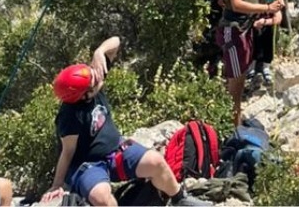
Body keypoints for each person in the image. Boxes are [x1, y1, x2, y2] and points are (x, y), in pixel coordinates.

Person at [44, 37, 209, 206]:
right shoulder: (70, 115)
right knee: (101, 197)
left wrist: (99, 51)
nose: (99, 79)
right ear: (84, 95)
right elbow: (67, 152)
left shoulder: (93, 80)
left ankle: (180, 199)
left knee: (156, 162)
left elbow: (115, 41)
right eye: (94, 82)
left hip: (116, 151)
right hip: (89, 164)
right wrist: (57, 184)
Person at [216, 0, 284, 125]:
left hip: (246, 29)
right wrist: (266, 9)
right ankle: (231, 127)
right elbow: (236, 3)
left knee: (242, 75)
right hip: (234, 29)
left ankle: (233, 123)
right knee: (235, 81)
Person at [251, 0, 282, 87]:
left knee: (269, 35)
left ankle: (266, 67)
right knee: (254, 35)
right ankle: (251, 68)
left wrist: (264, 21)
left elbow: (278, 18)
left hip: (267, 25)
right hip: (254, 24)